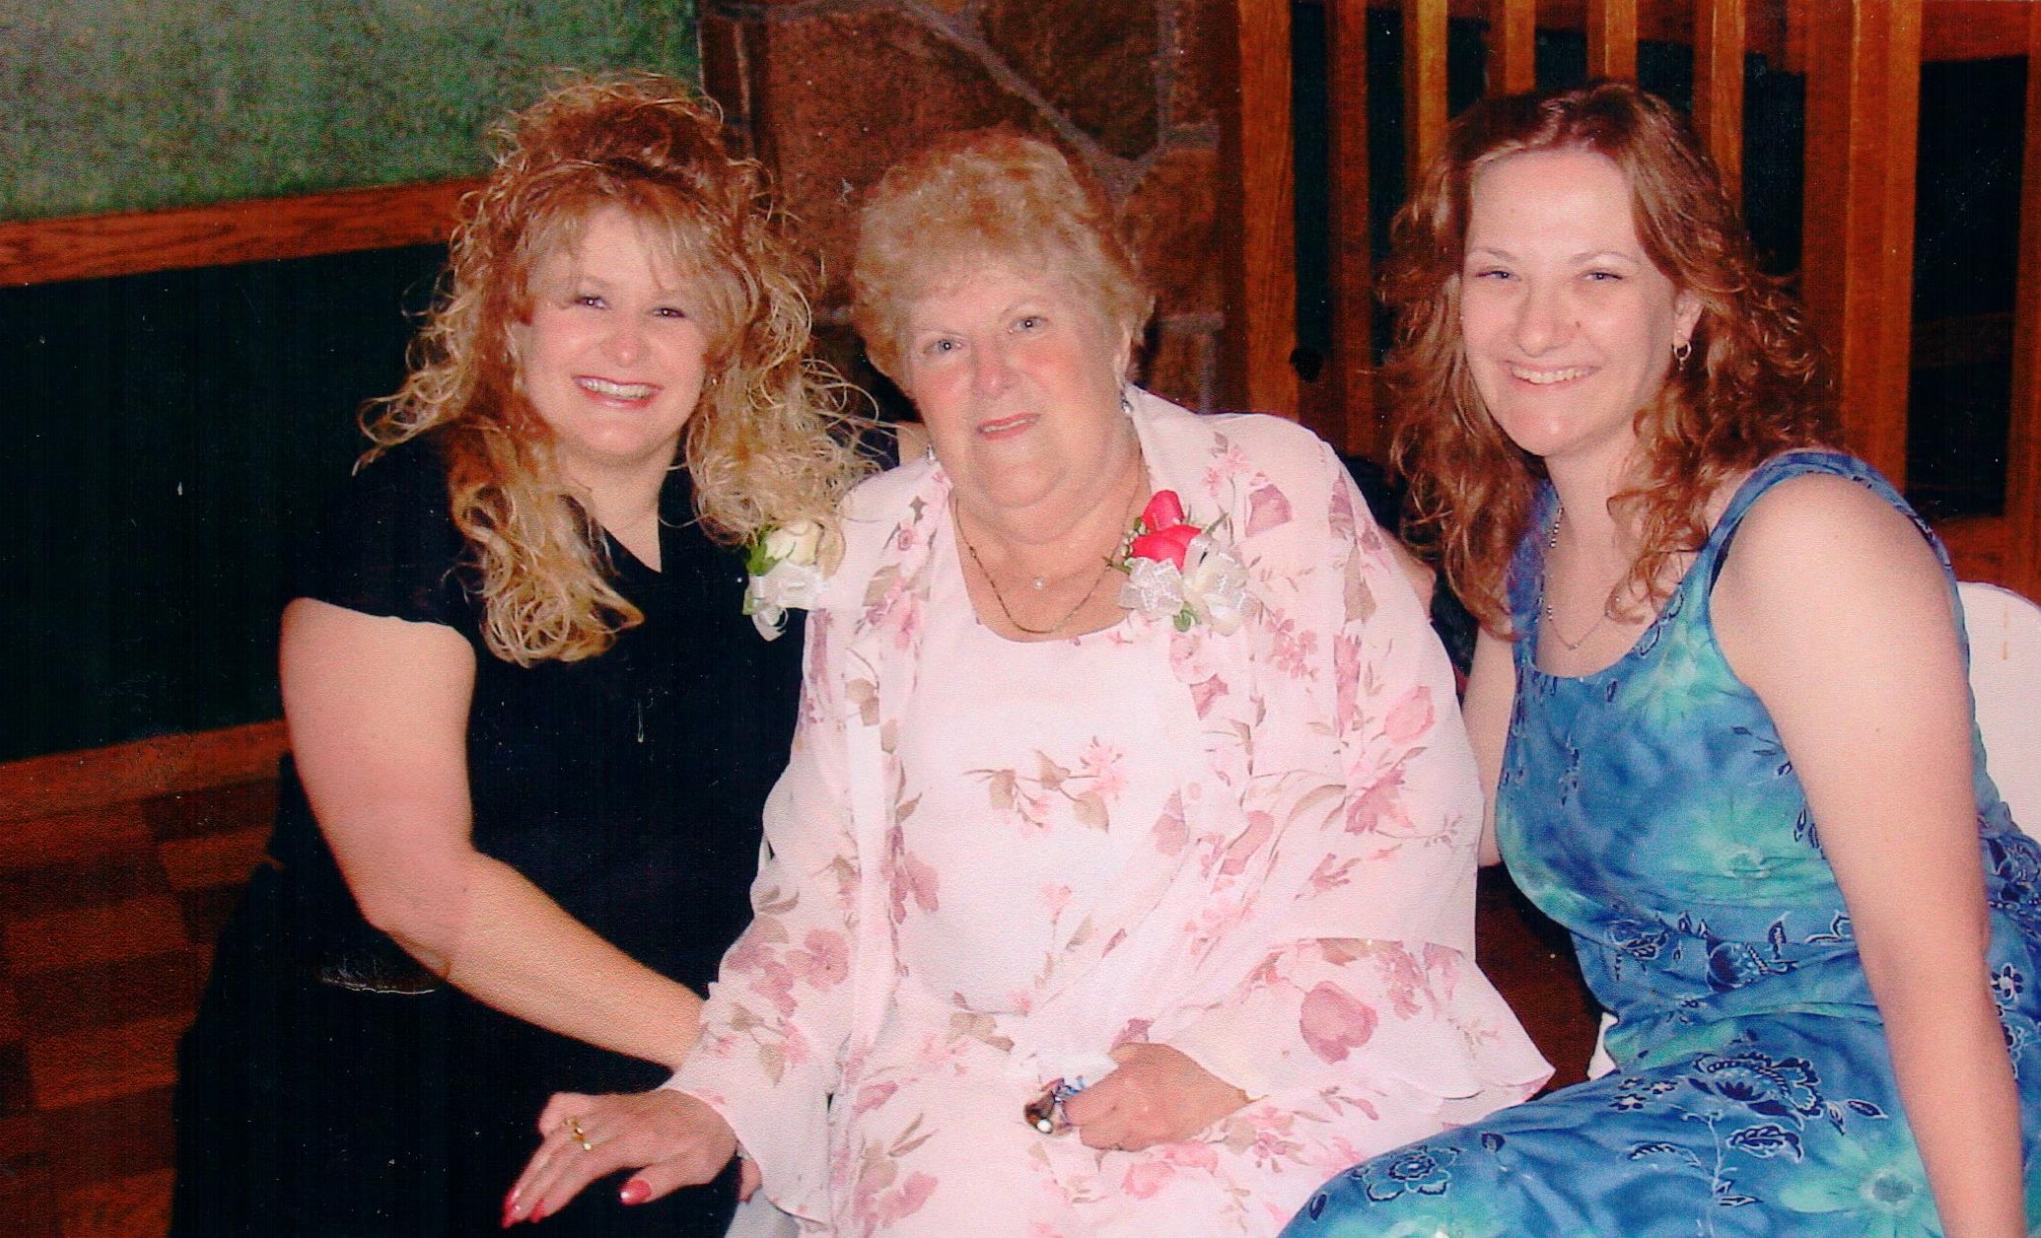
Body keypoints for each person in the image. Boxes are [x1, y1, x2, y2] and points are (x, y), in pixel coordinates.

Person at [501, 128, 1550, 1236]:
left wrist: (1230, 1058)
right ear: (904, 374)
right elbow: (825, 880)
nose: (989, 376)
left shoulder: (1267, 491)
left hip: (1268, 1061)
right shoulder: (873, 550)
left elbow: (1409, 800)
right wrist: (719, 1093)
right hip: (966, 1084)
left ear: (1119, 332)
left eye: (1028, 324)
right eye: (944, 343)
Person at [1286, 82, 2041, 1238]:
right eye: (1498, 273)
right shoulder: (1535, 537)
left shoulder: (1799, 544)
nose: (1536, 328)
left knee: (1386, 1223)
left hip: (1924, 1085)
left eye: (1596, 275)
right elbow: (1466, 819)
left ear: (1686, 301)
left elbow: (1930, 973)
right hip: (1707, 1088)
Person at [172, 73, 879, 1235]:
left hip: (653, 1017)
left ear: (724, 340)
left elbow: (991, 435)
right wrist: (749, 1061)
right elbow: (417, 893)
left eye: (672, 309)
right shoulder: (404, 524)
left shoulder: (751, 500)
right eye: (586, 298)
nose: (626, 346)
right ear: (511, 320)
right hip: (406, 1063)